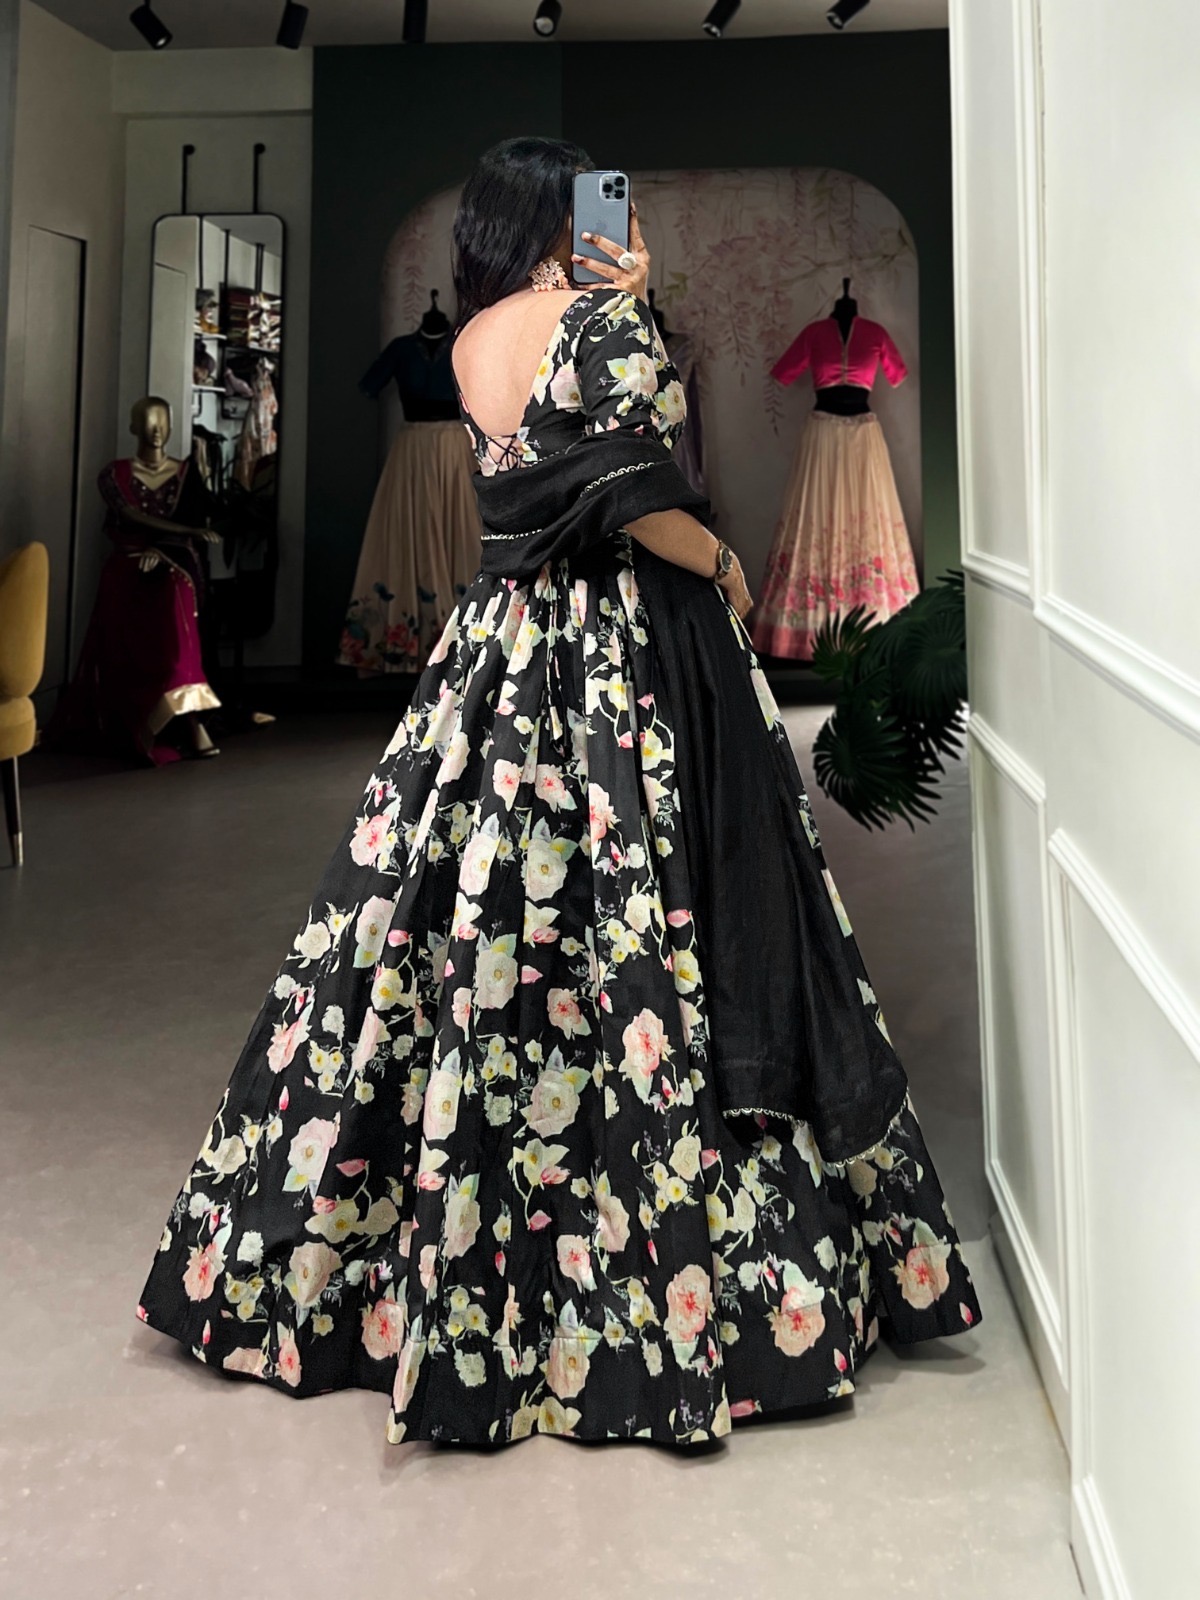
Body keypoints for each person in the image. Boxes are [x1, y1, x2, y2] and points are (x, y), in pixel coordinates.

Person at [137, 138, 980, 1447]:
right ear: (560, 220)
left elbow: (537, 480)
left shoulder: (476, 338)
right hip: (622, 655)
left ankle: (418, 1266)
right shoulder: (602, 322)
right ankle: (650, 1277)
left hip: (499, 645)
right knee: (652, 914)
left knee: (452, 921)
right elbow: (638, 503)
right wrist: (725, 564)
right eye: (598, 208)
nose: (617, 225)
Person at [50, 397, 221, 764]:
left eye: (162, 421)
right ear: (132, 427)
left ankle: (188, 717)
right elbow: (128, 515)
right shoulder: (113, 475)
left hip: (171, 563)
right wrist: (184, 531)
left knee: (175, 599)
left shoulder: (186, 473)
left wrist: (163, 548)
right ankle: (145, 723)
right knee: (132, 615)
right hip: (127, 565)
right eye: (147, 421)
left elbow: (197, 520)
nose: (156, 429)